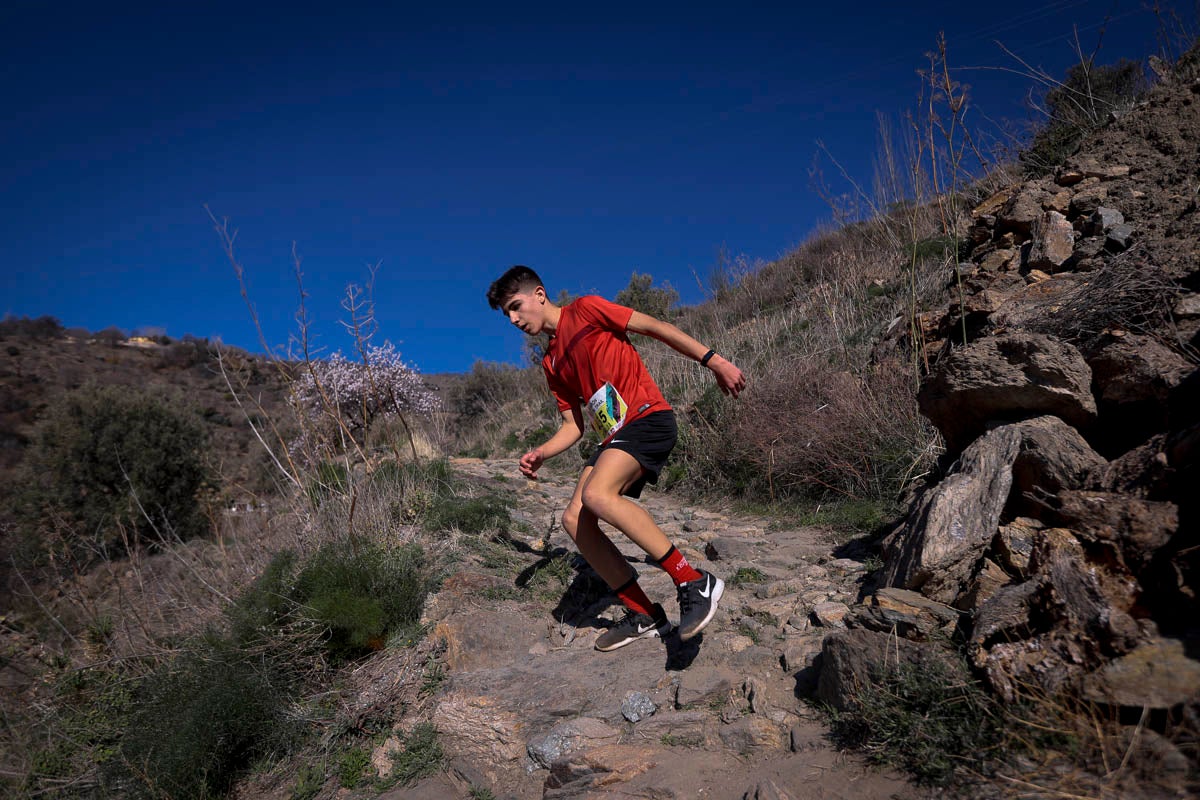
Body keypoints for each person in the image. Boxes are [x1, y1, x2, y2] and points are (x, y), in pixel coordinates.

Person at [486, 265, 746, 651]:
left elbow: (656, 327)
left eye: (515, 306)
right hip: (614, 438)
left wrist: (714, 361)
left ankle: (693, 581)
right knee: (574, 519)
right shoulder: (551, 363)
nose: (513, 319)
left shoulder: (586, 310)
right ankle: (643, 612)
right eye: (506, 314)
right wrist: (542, 452)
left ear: (539, 295)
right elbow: (573, 426)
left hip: (647, 419)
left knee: (597, 495)